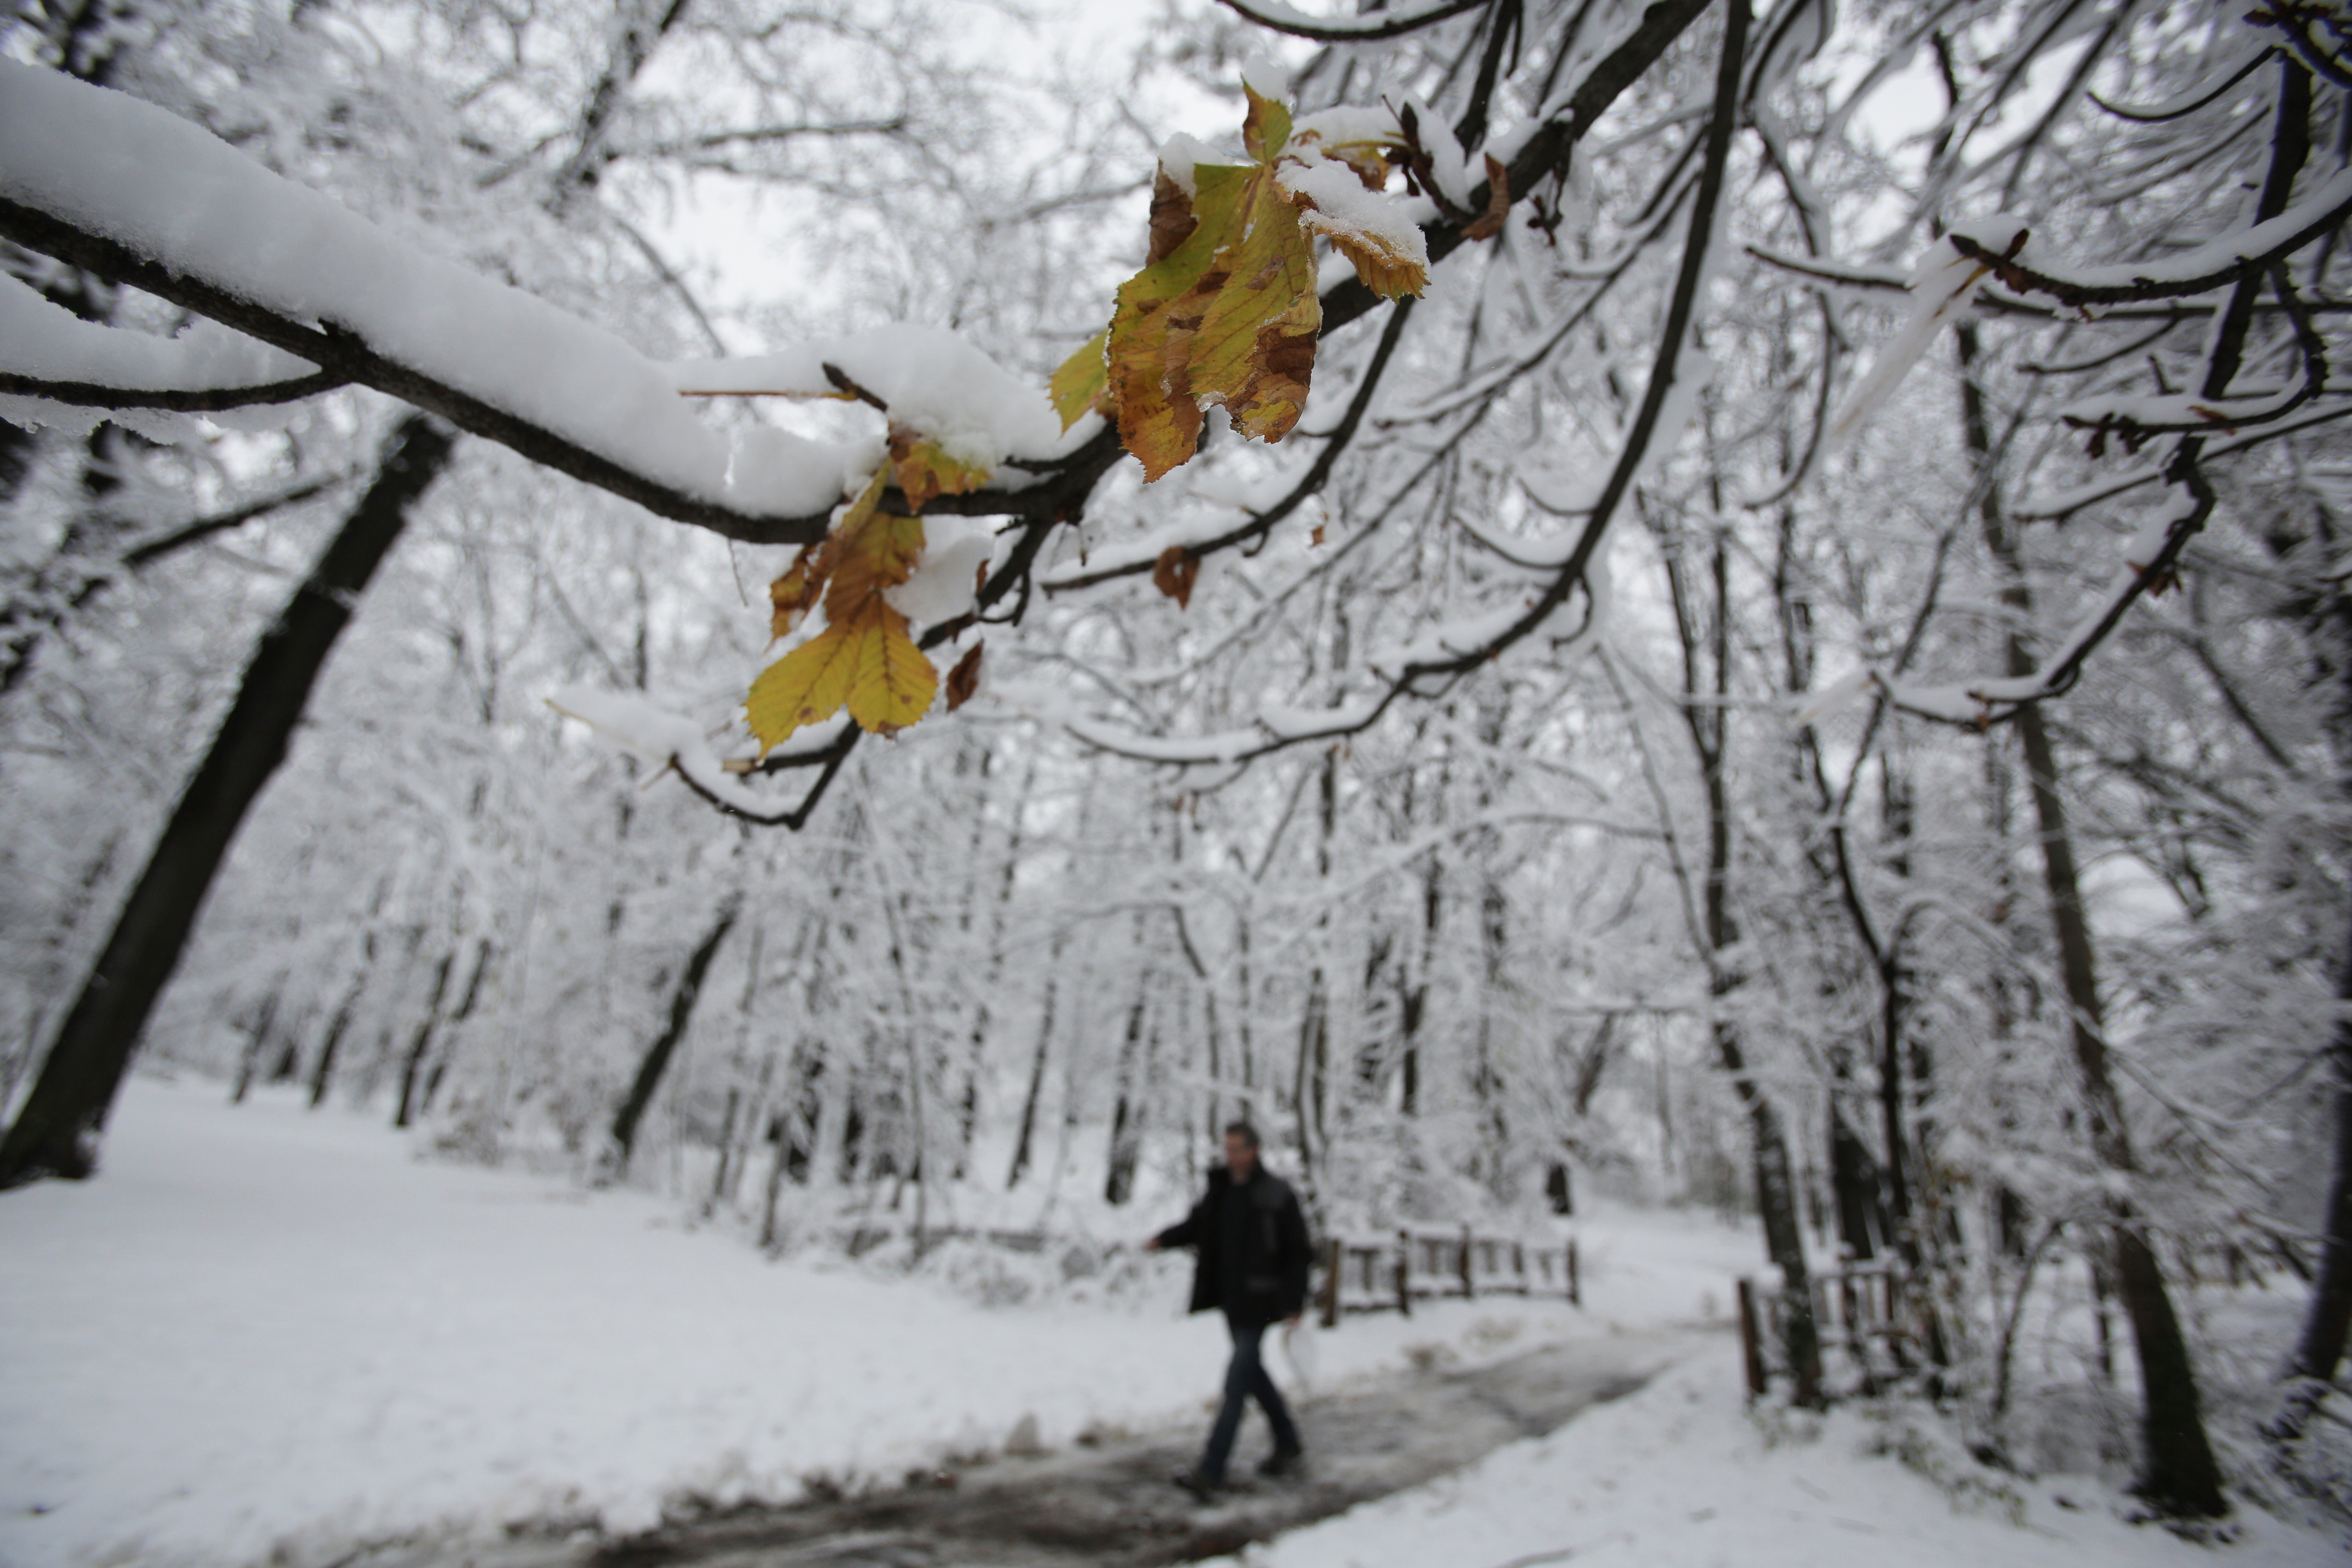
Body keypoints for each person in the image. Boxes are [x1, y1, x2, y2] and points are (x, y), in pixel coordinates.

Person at [1146, 1120, 1312, 1499]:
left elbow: (1299, 1251)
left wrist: (1294, 1300)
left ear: (1254, 1150)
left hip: (1263, 1301)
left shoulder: (1276, 1193)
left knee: (1236, 1384)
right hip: (1231, 1300)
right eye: (1228, 1149)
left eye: (1238, 1149)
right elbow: (1198, 1226)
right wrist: (1164, 1239)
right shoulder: (1220, 1190)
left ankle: (1211, 1469)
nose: (1231, 1156)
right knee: (1253, 1374)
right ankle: (1288, 1442)